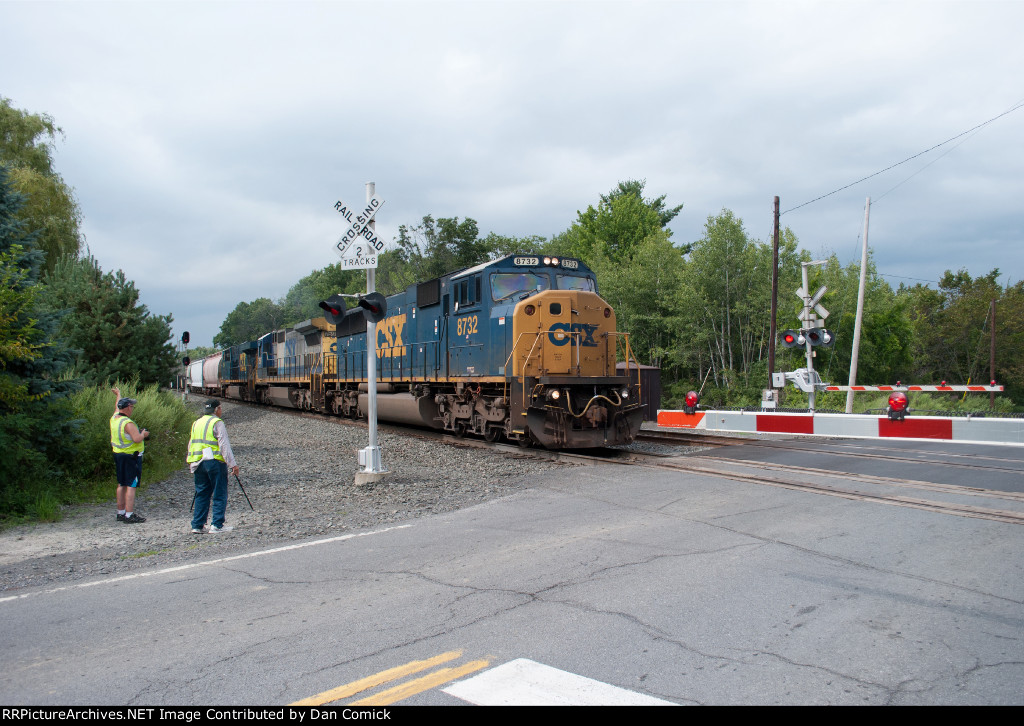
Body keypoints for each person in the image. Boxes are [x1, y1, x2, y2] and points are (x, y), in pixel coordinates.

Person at [187, 399, 240, 534]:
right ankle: (217, 525)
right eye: (221, 408)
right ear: (216, 409)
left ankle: (197, 525)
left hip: (198, 462)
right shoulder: (217, 422)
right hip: (215, 462)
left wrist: (191, 462)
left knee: (201, 493)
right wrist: (232, 464)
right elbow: (224, 445)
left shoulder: (196, 423)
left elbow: (191, 443)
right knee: (219, 493)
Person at [110, 387, 150, 523]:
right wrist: (143, 434)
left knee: (121, 484)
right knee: (131, 485)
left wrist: (118, 395)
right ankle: (129, 514)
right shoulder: (128, 423)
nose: (132, 409)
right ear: (127, 408)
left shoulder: (115, 418)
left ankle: (120, 513)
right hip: (131, 457)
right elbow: (137, 439)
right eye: (132, 406)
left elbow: (117, 407)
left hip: (118, 455)